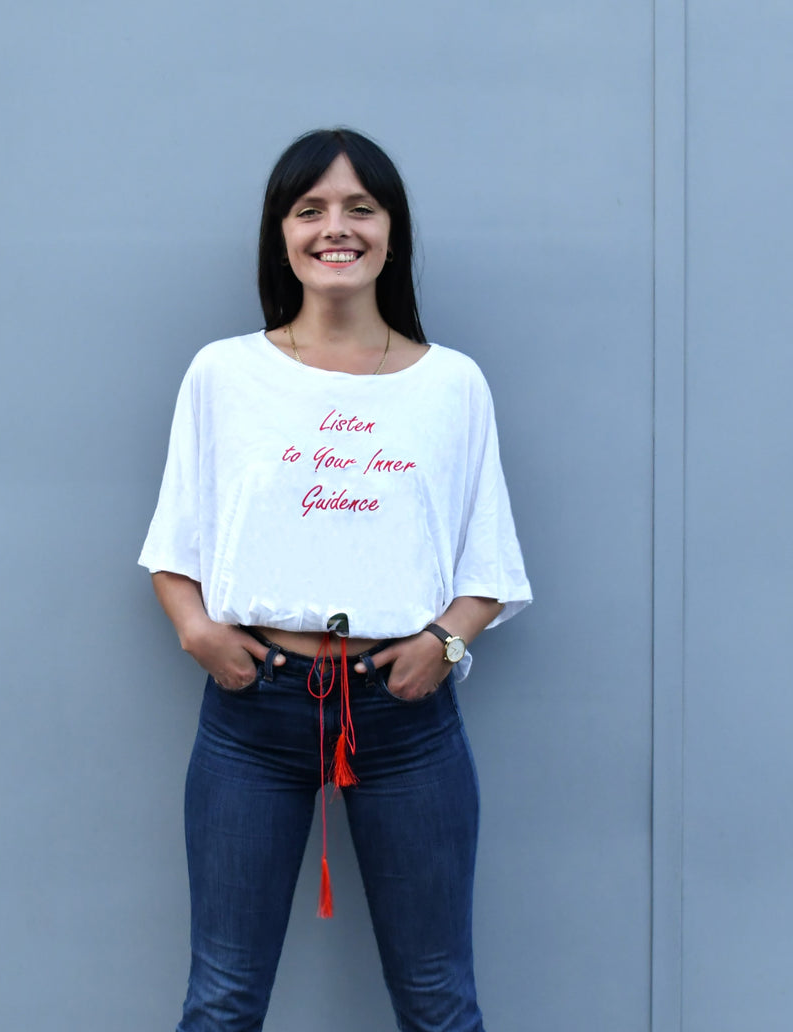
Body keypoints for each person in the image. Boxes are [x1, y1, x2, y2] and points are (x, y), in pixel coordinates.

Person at [139, 127, 531, 1032]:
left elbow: (489, 564)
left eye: (361, 207)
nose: (335, 227)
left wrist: (442, 646)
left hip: (404, 716)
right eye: (310, 208)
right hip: (253, 715)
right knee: (223, 998)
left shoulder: (452, 385)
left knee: (438, 999)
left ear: (391, 232)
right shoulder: (224, 373)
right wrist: (199, 634)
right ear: (281, 233)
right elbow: (174, 544)